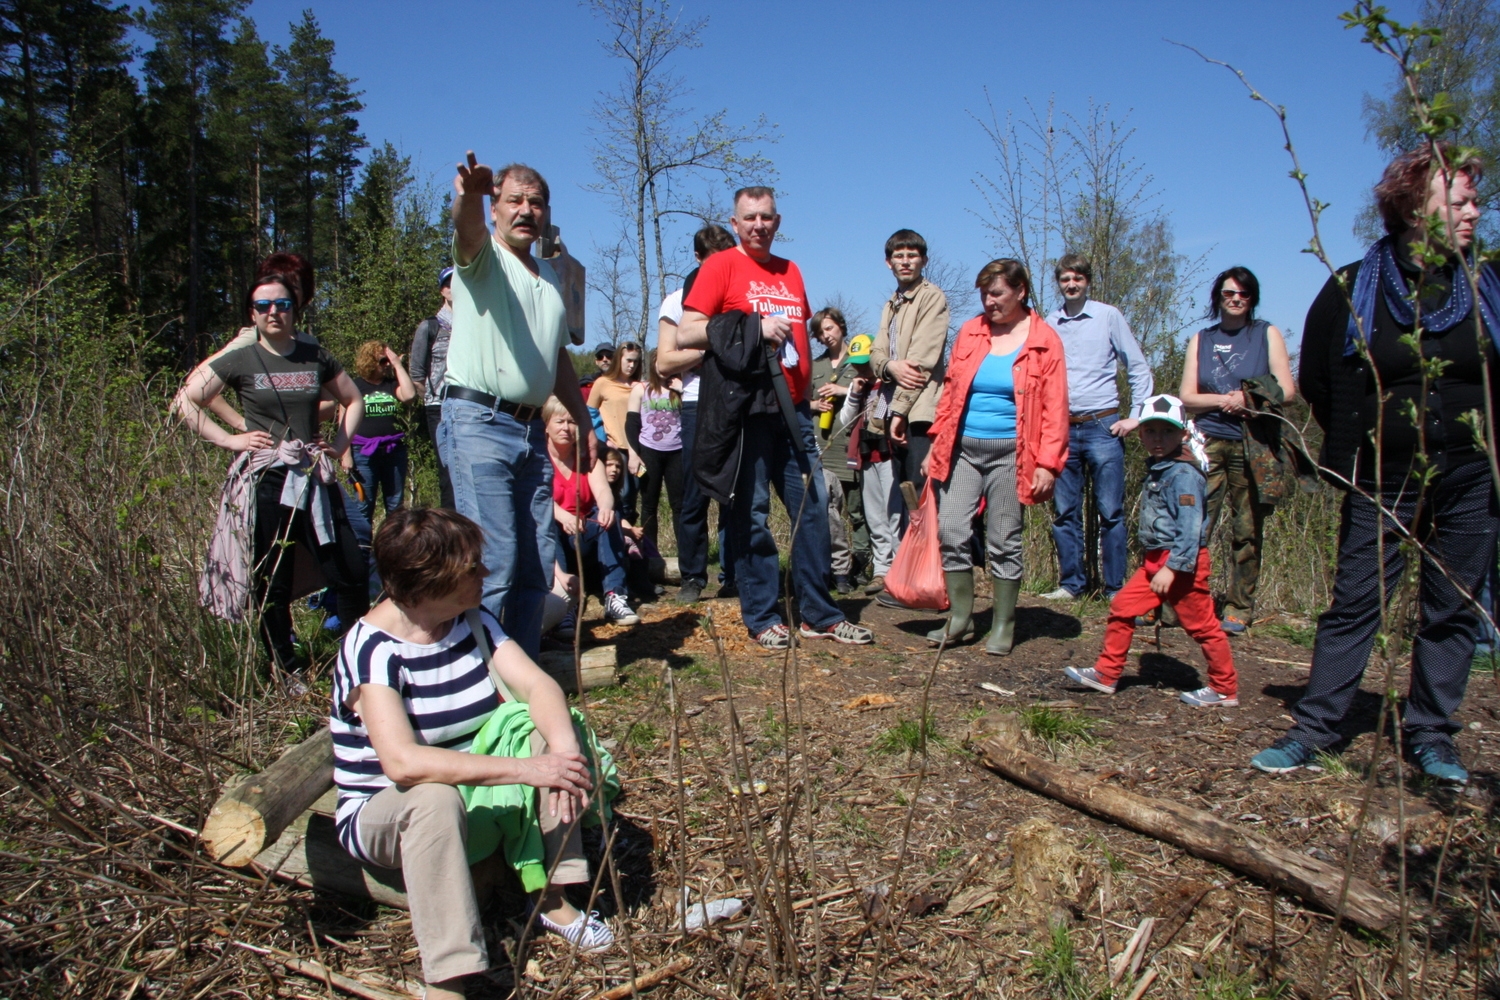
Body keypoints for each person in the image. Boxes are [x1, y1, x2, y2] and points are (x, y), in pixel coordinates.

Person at [1252, 143, 1499, 784]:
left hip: (1472, 474)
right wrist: (1356, 450)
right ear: (1416, 209)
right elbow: (1321, 379)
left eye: (1476, 199)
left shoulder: (1489, 284)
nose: (1475, 211)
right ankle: (1316, 728)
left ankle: (1432, 734)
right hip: (1383, 475)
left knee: (1454, 604)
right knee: (1356, 600)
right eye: (1461, 200)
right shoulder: (1352, 285)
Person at [331, 508, 613, 1000]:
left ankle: (553, 896)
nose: (485, 575)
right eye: (472, 570)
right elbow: (403, 764)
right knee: (434, 798)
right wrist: (525, 770)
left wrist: (560, 754)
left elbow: (538, 685)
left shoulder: (472, 620)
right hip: (391, 811)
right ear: (429, 583)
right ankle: (447, 977)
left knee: (550, 735)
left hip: (475, 794)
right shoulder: (372, 649)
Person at [676, 186, 873, 648]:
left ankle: (818, 613)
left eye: (766, 217)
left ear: (778, 221)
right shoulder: (720, 266)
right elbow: (687, 331)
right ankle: (763, 615)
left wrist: (806, 397)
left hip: (795, 412)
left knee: (813, 509)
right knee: (753, 515)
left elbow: (800, 341)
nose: (758, 225)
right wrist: (751, 326)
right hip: (746, 413)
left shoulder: (791, 271)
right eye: (749, 218)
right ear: (735, 222)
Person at [175, 272, 369, 680]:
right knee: (272, 583)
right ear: (253, 314)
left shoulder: (313, 355)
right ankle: (288, 669)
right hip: (267, 481)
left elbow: (352, 399)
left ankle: (356, 666)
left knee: (350, 572)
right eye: (263, 306)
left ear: (294, 309)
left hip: (314, 477)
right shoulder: (241, 359)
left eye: (281, 304)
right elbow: (187, 400)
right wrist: (230, 439)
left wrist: (338, 443)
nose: (274, 312)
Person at [440, 152, 595, 660]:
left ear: (547, 213)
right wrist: (468, 196)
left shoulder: (548, 279)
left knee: (535, 562)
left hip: (531, 432)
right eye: (513, 201)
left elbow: (557, 360)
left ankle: (522, 678)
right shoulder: (483, 258)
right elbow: (465, 230)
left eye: (536, 202)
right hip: (478, 422)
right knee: (496, 560)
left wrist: (584, 422)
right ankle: (481, 679)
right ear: (495, 209)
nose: (526, 210)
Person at [921, 259, 1069, 654]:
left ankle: (1003, 622)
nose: (989, 301)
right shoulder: (971, 332)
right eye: (984, 294)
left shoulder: (1044, 340)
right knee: (951, 531)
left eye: (998, 293)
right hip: (963, 451)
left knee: (1004, 539)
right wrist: (937, 442)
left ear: (1021, 291)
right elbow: (951, 393)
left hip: (1013, 455)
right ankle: (960, 619)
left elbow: (1055, 408)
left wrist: (1048, 463)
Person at [1063, 395, 1239, 707]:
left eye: (1167, 432)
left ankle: (1224, 688)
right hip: (1154, 563)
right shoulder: (1159, 468)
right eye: (1151, 432)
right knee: (1122, 608)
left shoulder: (1184, 475)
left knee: (1202, 627)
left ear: (1183, 434)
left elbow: (1191, 527)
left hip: (1182, 564)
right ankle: (1107, 673)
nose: (1158, 439)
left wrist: (1173, 567)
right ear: (1140, 433)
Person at [1178, 267, 1296, 635]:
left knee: (1246, 530)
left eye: (1243, 294)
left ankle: (1239, 607)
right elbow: (1187, 397)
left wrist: (1247, 399)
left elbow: (1286, 390)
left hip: (1253, 443)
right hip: (1207, 442)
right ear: (1218, 297)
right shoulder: (1203, 338)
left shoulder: (1266, 335)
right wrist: (1224, 399)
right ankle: (1179, 602)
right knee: (1194, 525)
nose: (1236, 299)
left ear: (1252, 298)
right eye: (1229, 293)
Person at [1044, 254, 1155, 601]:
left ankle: (1114, 589)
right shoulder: (1050, 323)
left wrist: (1136, 416)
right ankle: (1072, 585)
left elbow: (1137, 366)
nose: (1071, 284)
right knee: (1064, 512)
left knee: (1111, 512)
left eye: (1077, 278)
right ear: (1059, 284)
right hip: (1064, 428)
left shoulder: (1108, 316)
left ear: (1087, 281)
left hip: (1104, 425)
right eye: (1065, 279)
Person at [656, 223, 739, 603]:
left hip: (734, 401)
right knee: (693, 494)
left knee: (735, 493)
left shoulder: (738, 297)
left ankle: (735, 573)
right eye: (712, 262)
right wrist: (711, 349)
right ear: (697, 258)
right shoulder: (676, 301)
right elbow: (664, 362)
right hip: (693, 403)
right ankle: (692, 576)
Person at [870, 229, 952, 496]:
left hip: (919, 412)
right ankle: (913, 539)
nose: (905, 261)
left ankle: (931, 540)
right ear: (888, 262)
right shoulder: (891, 304)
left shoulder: (932, 297)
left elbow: (920, 364)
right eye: (899, 256)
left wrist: (900, 413)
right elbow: (876, 354)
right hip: (892, 407)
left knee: (924, 490)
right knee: (905, 493)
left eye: (912, 256)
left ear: (924, 261)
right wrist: (889, 367)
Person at [544, 398, 640, 626]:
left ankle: (614, 595)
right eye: (559, 422)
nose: (566, 428)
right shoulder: (539, 458)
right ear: (546, 425)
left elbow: (603, 491)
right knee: (545, 522)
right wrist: (563, 515)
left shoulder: (588, 457)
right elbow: (539, 500)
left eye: (571, 422)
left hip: (585, 529)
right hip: (555, 534)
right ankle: (564, 602)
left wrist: (606, 507)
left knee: (611, 516)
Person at [810, 309, 869, 594]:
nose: (826, 335)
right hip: (822, 445)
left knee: (857, 510)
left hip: (851, 443)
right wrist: (813, 405)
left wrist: (842, 390)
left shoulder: (859, 359)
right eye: (821, 332)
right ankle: (832, 567)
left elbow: (870, 390)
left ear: (842, 327)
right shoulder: (815, 365)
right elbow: (800, 399)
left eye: (830, 328)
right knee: (828, 508)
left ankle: (861, 564)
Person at [345, 340, 418, 523]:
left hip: (393, 452)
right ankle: (363, 549)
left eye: (387, 361)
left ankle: (393, 548)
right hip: (363, 453)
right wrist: (345, 455)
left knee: (395, 506)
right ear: (369, 362)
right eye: (382, 361)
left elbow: (409, 396)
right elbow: (343, 423)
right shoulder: (354, 386)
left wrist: (397, 365)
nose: (386, 365)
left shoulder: (391, 384)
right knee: (363, 504)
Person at [625, 350, 683, 548]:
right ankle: (649, 554)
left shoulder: (681, 387)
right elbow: (631, 424)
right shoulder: (641, 388)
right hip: (648, 453)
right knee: (649, 504)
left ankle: (686, 556)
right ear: (653, 365)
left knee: (680, 505)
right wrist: (633, 455)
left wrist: (682, 389)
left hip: (678, 452)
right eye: (661, 363)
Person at [410, 266, 456, 508]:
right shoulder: (430, 327)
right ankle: (451, 532)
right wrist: (431, 398)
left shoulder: (475, 325)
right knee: (447, 471)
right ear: (443, 290)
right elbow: (416, 374)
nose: (455, 287)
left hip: (470, 406)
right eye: (449, 283)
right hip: (439, 407)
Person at [588, 341, 642, 452]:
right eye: (629, 360)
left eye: (635, 362)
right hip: (614, 450)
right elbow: (590, 414)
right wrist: (604, 440)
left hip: (639, 450)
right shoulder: (602, 383)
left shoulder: (640, 387)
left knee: (642, 470)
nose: (632, 365)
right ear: (618, 359)